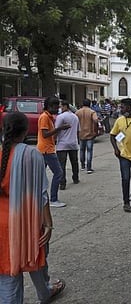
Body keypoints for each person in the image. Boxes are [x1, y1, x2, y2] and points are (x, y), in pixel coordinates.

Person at [0, 112, 66, 303]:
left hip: (3, 226)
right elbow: (41, 193)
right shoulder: (31, 154)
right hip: (26, 221)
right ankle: (45, 292)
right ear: (26, 131)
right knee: (35, 257)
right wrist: (48, 223)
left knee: (8, 275)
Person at [37, 97, 70, 208]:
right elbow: (45, 134)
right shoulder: (44, 117)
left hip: (46, 148)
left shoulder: (49, 117)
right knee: (58, 173)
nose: (58, 109)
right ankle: (53, 199)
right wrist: (60, 128)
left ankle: (41, 197)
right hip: (47, 150)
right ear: (50, 106)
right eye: (56, 107)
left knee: (41, 174)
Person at [56, 100, 80, 189]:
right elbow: (78, 130)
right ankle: (76, 178)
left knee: (62, 164)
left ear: (65, 106)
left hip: (62, 144)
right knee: (74, 162)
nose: (59, 108)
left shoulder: (61, 117)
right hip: (73, 143)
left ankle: (62, 183)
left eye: (60, 106)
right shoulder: (75, 117)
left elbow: (56, 129)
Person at [75, 99, 99, 174]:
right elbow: (95, 120)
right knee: (89, 150)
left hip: (81, 133)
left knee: (82, 150)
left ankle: (82, 166)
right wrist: (95, 131)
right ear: (90, 104)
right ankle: (89, 168)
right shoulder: (92, 112)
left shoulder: (78, 112)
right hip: (90, 133)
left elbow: (75, 121)